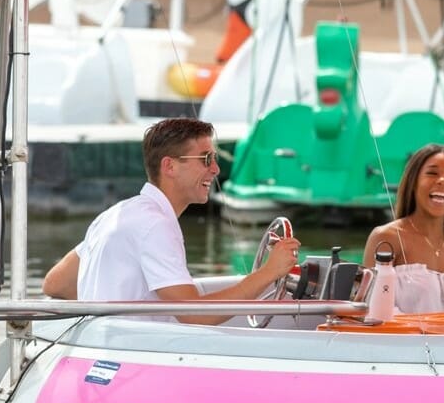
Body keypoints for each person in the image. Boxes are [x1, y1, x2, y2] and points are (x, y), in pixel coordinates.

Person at [40, 118, 300, 324]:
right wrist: (269, 272)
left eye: (215, 159)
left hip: (108, 348)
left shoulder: (117, 213)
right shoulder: (155, 225)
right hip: (133, 359)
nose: (216, 170)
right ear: (170, 167)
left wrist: (113, 308)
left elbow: (56, 283)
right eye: (206, 159)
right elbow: (194, 315)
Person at [362, 144, 444, 314]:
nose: (443, 181)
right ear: (413, 182)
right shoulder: (386, 238)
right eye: (432, 173)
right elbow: (370, 313)